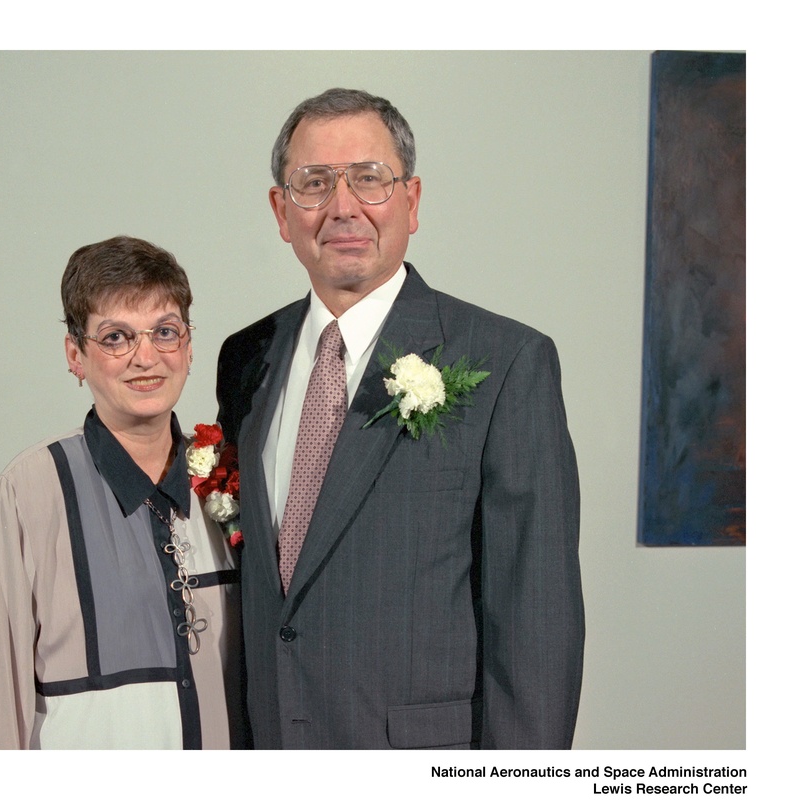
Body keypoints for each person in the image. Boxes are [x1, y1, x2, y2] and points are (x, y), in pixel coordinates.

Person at [216, 88, 584, 749]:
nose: (343, 207)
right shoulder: (245, 359)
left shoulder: (505, 362)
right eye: (314, 183)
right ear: (281, 210)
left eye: (369, 179)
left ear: (411, 202)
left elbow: (538, 622)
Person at [0, 236, 248, 749]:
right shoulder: (33, 489)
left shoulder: (225, 474)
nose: (145, 357)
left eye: (165, 332)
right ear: (75, 355)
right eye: (116, 337)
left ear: (190, 345)